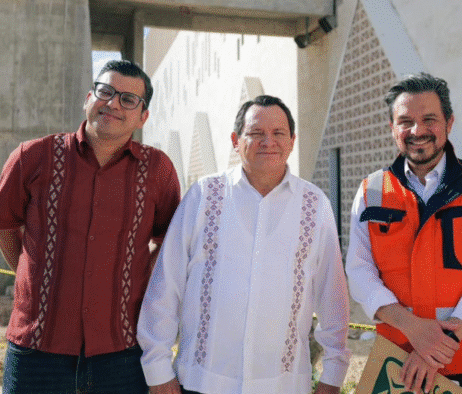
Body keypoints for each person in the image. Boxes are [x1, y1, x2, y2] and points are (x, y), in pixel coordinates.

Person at [0, 60, 181, 393]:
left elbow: (169, 242)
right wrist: (33, 275)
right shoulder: (33, 156)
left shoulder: (158, 170)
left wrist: (138, 278)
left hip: (122, 354)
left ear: (143, 116)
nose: (114, 103)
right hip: (37, 351)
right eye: (106, 92)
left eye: (129, 100)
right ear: (89, 97)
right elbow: (2, 225)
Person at [138, 95, 350, 394]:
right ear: (236, 140)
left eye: (278, 133)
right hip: (201, 381)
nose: (268, 142)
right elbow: (166, 283)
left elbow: (332, 296)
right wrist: (157, 369)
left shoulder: (314, 205)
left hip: (284, 386)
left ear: (292, 141)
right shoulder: (204, 195)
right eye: (256, 133)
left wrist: (333, 376)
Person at [346, 73, 462, 394]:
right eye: (405, 121)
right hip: (398, 363)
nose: (417, 130)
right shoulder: (371, 190)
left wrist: (437, 348)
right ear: (392, 128)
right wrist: (413, 329)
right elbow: (359, 273)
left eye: (429, 119)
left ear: (449, 123)